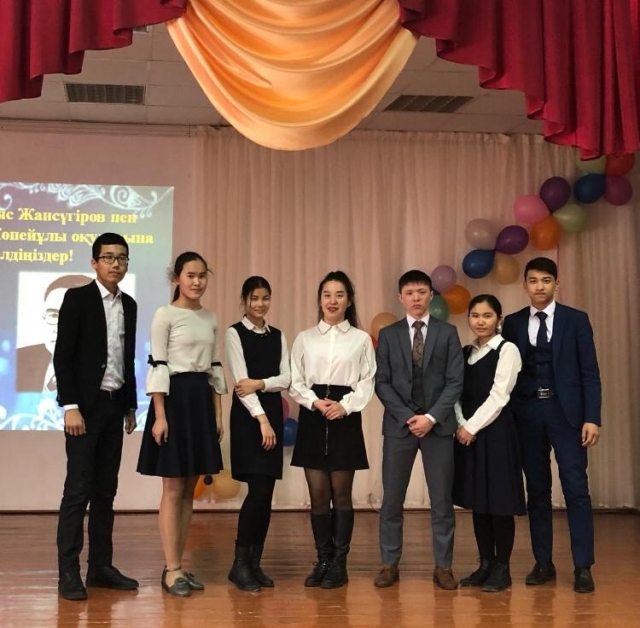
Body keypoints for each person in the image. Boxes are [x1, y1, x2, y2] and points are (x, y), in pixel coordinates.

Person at [502, 257, 601, 594]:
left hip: (566, 414)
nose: (539, 286)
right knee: (537, 489)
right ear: (525, 285)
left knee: (576, 488)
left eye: (546, 280)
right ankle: (543, 562)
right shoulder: (513, 323)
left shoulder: (576, 320)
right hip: (527, 413)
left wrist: (592, 417)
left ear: (557, 283)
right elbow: (507, 373)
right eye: (533, 280)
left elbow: (590, 372)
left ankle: (583, 565)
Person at [54, 233, 138, 601]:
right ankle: (68, 572)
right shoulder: (77, 299)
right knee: (78, 491)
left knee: (106, 491)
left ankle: (100, 567)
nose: (115, 264)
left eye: (122, 258)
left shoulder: (129, 304)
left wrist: (131, 405)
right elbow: (63, 356)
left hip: (114, 406)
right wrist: (70, 405)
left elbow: (126, 358)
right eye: (108, 257)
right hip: (84, 411)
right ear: (94, 263)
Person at [137, 251, 227, 597]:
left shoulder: (210, 317)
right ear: (176, 278)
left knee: (189, 491)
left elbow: (214, 367)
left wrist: (217, 415)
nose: (197, 282)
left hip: (200, 400)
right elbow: (158, 364)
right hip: (174, 401)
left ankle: (177, 565)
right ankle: (171, 568)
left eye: (202, 275)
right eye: (190, 275)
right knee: (173, 489)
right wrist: (160, 416)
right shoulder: (165, 315)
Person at [374, 269, 463, 590]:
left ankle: (443, 566)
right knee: (392, 499)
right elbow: (381, 382)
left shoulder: (448, 333)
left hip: (437, 428)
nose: (416, 298)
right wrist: (407, 416)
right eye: (410, 293)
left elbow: (455, 382)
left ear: (431, 295)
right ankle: (389, 564)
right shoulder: (389, 334)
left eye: (422, 292)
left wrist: (432, 417)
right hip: (400, 427)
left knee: (442, 500)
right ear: (401, 297)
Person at [289, 270, 376, 589]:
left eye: (339, 295)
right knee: (318, 494)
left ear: (349, 300)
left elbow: (367, 380)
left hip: (344, 416)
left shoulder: (360, 339)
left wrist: (346, 406)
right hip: (313, 414)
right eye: (327, 295)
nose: (332, 301)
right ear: (319, 299)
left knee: (341, 494)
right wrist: (314, 402)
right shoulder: (305, 338)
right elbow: (294, 378)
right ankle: (323, 559)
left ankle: (340, 563)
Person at [453, 294, 525, 592]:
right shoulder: (464, 352)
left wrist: (471, 426)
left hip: (496, 434)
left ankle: (502, 568)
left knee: (499, 502)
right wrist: (461, 424)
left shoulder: (508, 350)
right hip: (467, 435)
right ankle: (484, 564)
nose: (480, 321)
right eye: (475, 315)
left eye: (487, 315)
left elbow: (499, 395)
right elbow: (455, 393)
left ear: (499, 319)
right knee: (479, 502)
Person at [224, 276, 291, 592]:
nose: (260, 304)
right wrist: (262, 419)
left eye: (265, 298)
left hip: (272, 414)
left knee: (266, 493)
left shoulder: (278, 336)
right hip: (249, 418)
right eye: (254, 298)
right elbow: (241, 384)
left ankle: (254, 562)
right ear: (244, 300)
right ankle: (239, 564)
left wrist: (262, 383)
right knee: (258, 490)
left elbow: (287, 379)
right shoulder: (234, 333)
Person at [16, 274, 91, 392]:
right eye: (54, 315)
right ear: (44, 317)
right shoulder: (17, 360)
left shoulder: (116, 369)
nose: (61, 328)